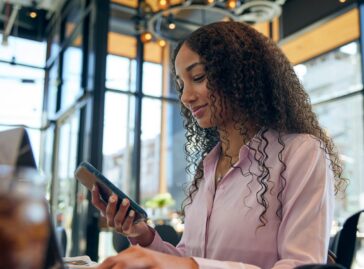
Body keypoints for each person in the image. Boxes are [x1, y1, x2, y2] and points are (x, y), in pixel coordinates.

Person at [93, 21, 347, 269]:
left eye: (198, 77)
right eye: (181, 85)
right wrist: (144, 236)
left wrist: (192, 266)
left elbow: (300, 265)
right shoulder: (209, 167)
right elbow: (188, 257)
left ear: (239, 74)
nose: (185, 97)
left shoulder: (302, 153)